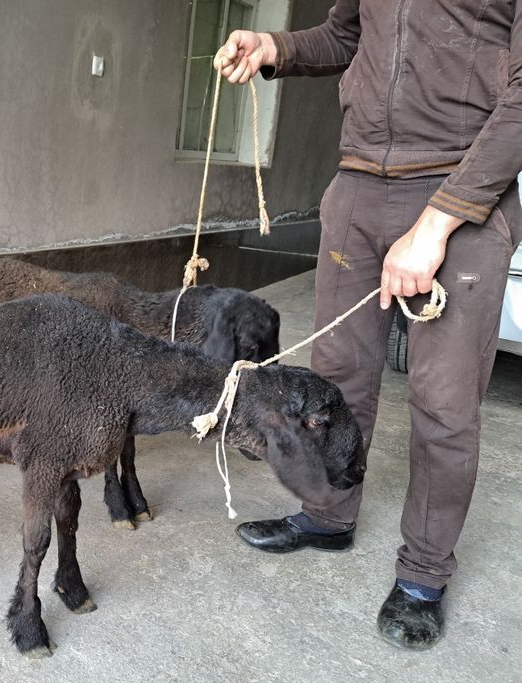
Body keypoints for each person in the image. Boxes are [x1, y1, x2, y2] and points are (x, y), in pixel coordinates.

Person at [214, 1, 522, 649]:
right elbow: (344, 34)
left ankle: (423, 574)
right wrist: (273, 47)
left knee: (443, 405)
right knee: (336, 379)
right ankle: (328, 516)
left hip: (459, 190)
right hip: (358, 184)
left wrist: (437, 224)